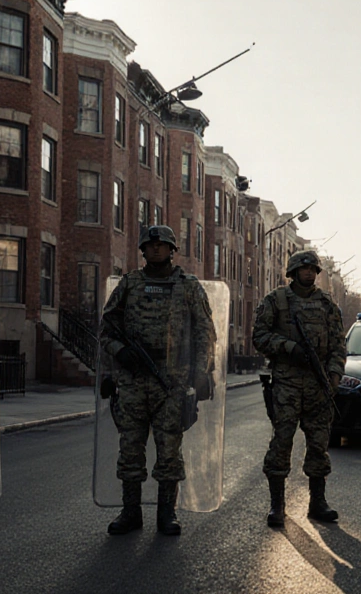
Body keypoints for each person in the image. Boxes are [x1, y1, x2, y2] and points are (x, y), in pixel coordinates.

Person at [100, 225, 217, 536]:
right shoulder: (130, 284)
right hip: (133, 379)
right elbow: (106, 330)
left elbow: (205, 332)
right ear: (142, 250)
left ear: (171, 250)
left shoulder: (188, 286)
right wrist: (120, 352)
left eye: (162, 245)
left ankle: (167, 513)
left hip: (172, 379)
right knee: (130, 448)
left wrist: (203, 371)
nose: (155, 250)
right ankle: (130, 511)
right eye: (150, 246)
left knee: (169, 450)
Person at [253, 250, 346, 528]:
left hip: (319, 386)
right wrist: (289, 348)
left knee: (319, 445)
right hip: (287, 383)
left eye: (313, 270)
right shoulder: (276, 301)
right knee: (281, 442)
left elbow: (338, 346)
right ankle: (277, 506)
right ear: (292, 272)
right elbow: (259, 336)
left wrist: (334, 375)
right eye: (303, 269)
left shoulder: (327, 305)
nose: (308, 273)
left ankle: (318, 503)